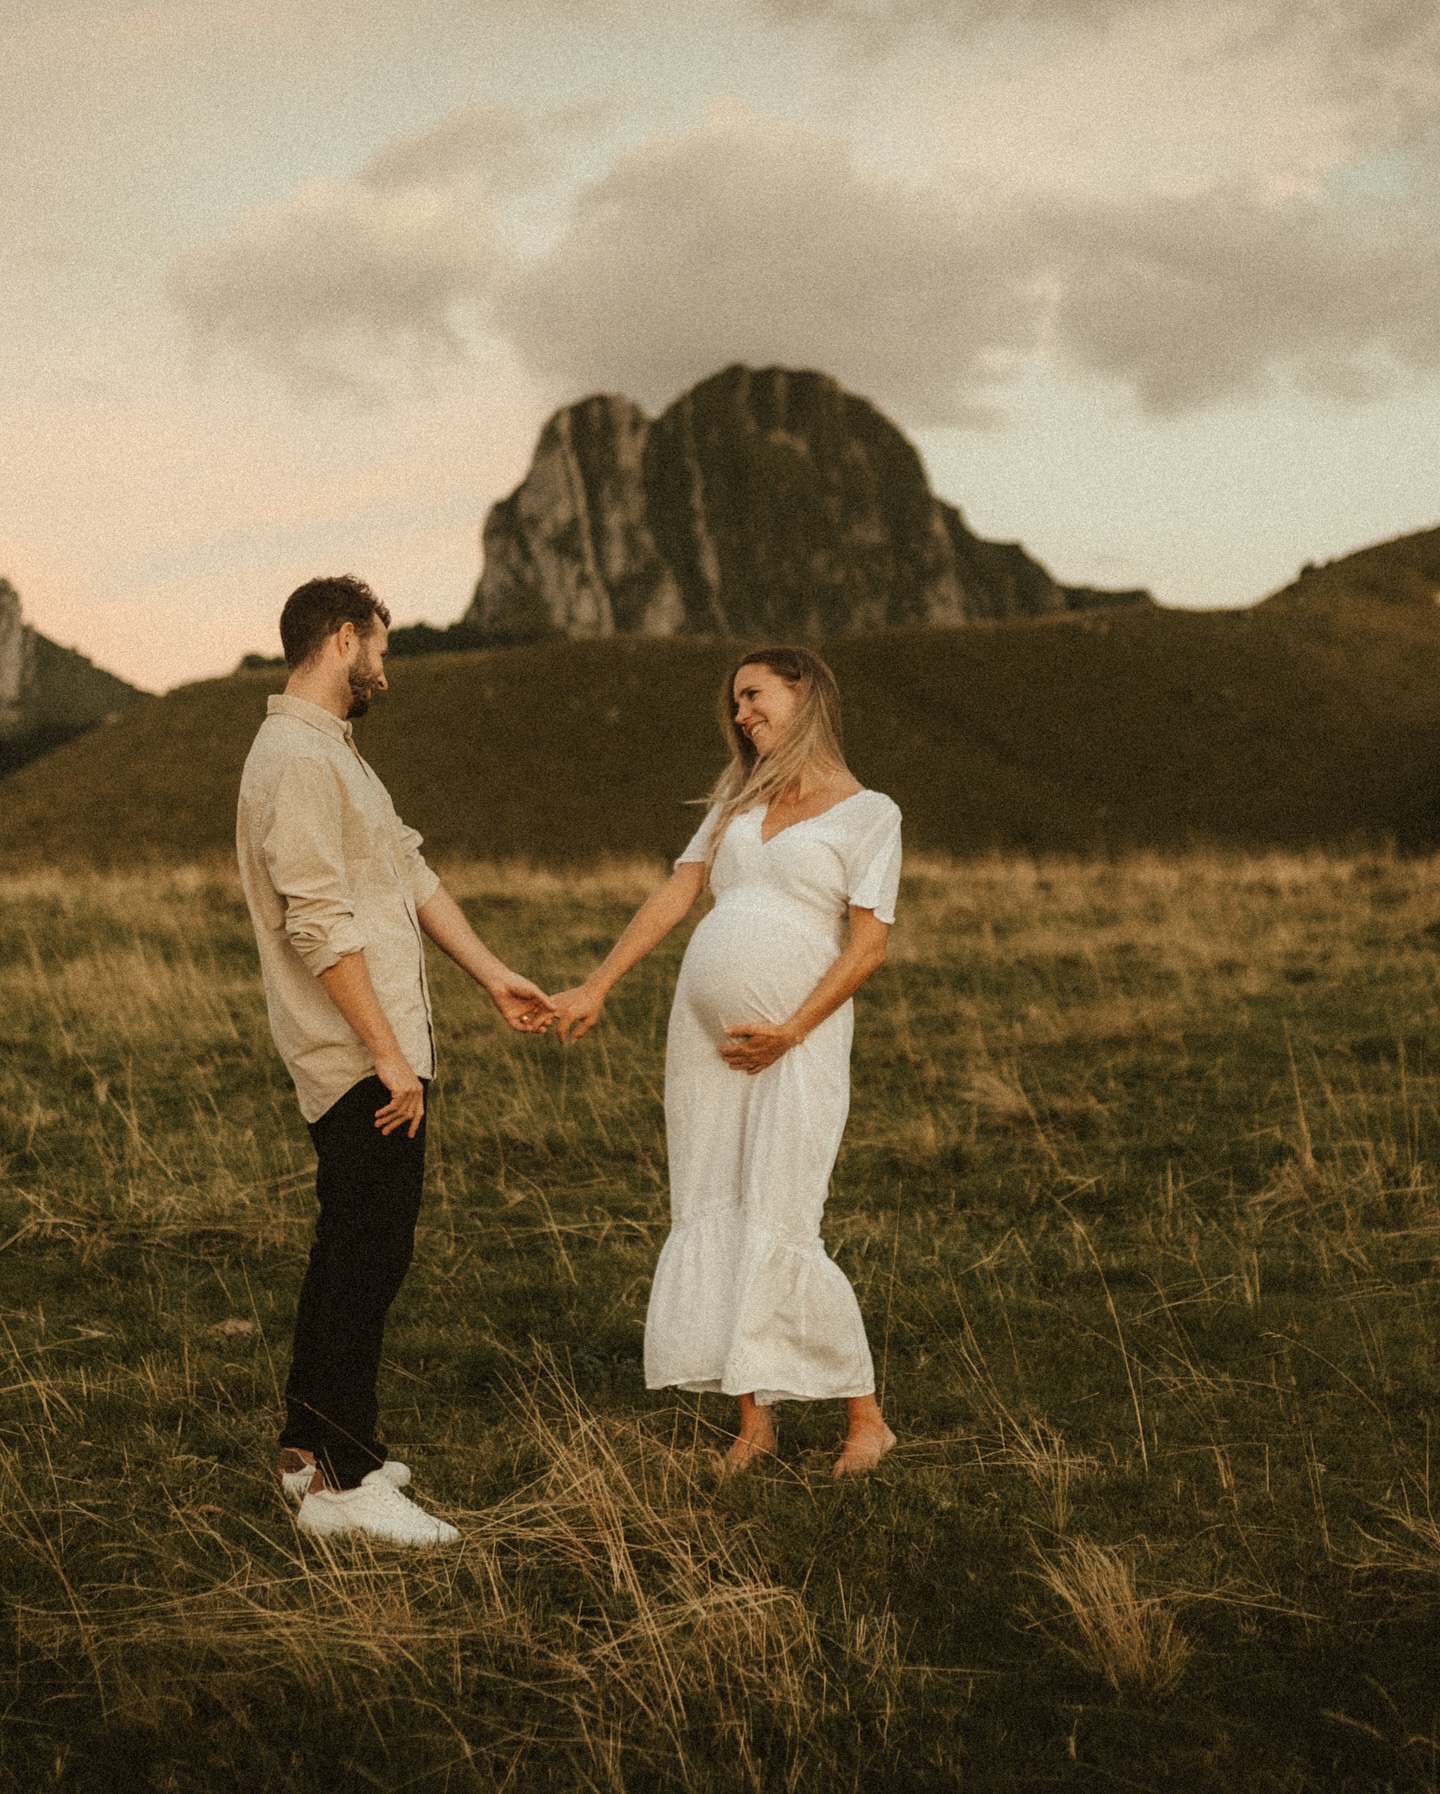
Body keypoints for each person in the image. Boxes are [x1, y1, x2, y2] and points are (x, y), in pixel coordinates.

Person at [236, 575, 553, 1547]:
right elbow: (318, 923)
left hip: (381, 1048)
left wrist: (494, 976)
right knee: (369, 1257)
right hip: (359, 1054)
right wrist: (387, 1057)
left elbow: (405, 869)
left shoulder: (332, 754)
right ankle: (350, 1483)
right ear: (343, 640)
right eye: (380, 642)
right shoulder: (295, 759)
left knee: (352, 1245)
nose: (387, 663)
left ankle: (305, 1451)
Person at [551, 647, 901, 1477]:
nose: (741, 714)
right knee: (714, 1202)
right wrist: (599, 983)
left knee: (783, 1215)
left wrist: (791, 1029)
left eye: (754, 696)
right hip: (704, 1041)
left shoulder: (868, 814)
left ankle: (866, 1420)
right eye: (734, 704)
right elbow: (679, 891)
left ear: (804, 690)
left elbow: (869, 946)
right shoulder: (735, 799)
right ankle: (754, 1424)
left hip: (796, 1040)